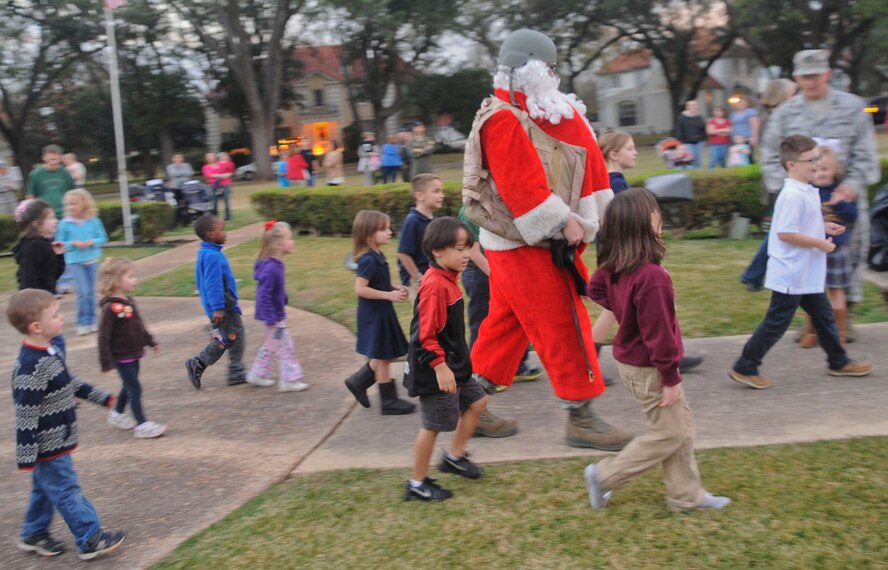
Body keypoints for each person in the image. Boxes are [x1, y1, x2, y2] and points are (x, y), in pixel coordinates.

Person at [463, 28, 632, 450]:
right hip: (529, 244)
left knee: (507, 325)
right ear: (534, 68)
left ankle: (469, 406)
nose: (554, 76)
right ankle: (581, 417)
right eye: (549, 68)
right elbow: (523, 190)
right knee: (565, 322)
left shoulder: (525, 109)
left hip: (518, 243)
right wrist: (565, 223)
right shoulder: (504, 117)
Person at [584, 188, 731, 513]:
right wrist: (670, 377)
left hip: (635, 363)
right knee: (669, 434)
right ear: (643, 223)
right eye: (655, 211)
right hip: (649, 367)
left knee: (681, 429)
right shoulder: (652, 277)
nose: (659, 216)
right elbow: (660, 337)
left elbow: (595, 287)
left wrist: (625, 311)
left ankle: (685, 496)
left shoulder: (620, 265)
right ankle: (604, 476)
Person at [728, 135, 872, 390]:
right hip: (792, 273)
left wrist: (823, 226)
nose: (816, 164)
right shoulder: (792, 195)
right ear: (792, 164)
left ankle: (838, 361)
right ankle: (745, 366)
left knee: (824, 316)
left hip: (805, 273)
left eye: (818, 158)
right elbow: (785, 233)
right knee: (776, 323)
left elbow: (799, 225)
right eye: (811, 160)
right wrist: (820, 243)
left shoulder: (805, 190)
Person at [756, 49, 880, 340]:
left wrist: (851, 185)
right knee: (805, 259)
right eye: (804, 76)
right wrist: (790, 190)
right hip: (804, 202)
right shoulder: (786, 113)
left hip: (843, 200)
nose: (810, 82)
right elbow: (770, 156)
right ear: (796, 78)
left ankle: (843, 318)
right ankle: (811, 322)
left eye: (815, 75)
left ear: (826, 73)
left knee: (847, 258)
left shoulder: (851, 107)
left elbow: (865, 154)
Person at [8, 288, 127, 560]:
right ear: (36, 326)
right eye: (56, 315)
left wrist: (104, 398)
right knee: (66, 489)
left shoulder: (48, 351)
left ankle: (34, 532)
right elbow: (26, 412)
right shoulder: (30, 366)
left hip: (59, 438)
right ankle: (90, 538)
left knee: (45, 489)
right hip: (48, 445)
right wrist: (26, 455)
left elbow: (69, 382)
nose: (62, 318)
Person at [593, 132, 704, 377]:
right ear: (613, 154)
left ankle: (590, 362)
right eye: (630, 148)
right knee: (655, 301)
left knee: (614, 307)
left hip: (616, 251)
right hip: (627, 253)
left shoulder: (607, 181)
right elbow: (627, 223)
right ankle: (669, 351)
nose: (635, 152)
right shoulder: (617, 184)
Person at [403, 217, 488, 501]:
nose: (466, 255)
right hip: (436, 370)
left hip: (455, 366)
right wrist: (440, 367)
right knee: (433, 426)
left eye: (468, 248)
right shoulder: (435, 286)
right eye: (460, 249)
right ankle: (416, 483)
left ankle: (454, 456)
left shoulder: (448, 279)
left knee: (478, 401)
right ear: (438, 251)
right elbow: (423, 336)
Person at [458, 205, 529, 438]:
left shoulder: (493, 205)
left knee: (502, 326)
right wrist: (500, 278)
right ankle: (473, 392)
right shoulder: (470, 211)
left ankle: (514, 366)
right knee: (482, 328)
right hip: (481, 273)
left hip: (495, 270)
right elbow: (475, 252)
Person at [343, 210, 415, 415]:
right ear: (368, 234)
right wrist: (388, 296)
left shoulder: (377, 255)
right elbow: (361, 288)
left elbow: (379, 282)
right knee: (384, 357)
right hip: (375, 315)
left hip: (383, 312)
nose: (389, 232)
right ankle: (389, 401)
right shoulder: (368, 259)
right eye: (384, 229)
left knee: (387, 354)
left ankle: (358, 381)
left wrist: (393, 288)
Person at [98, 258, 167, 439]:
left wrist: (150, 341)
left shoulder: (128, 301)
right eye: (130, 276)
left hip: (133, 352)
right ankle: (142, 425)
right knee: (135, 388)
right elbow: (103, 337)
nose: (135, 279)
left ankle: (117, 414)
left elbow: (138, 326)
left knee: (129, 385)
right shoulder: (110, 308)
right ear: (115, 281)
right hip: (121, 356)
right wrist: (106, 361)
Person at [798, 147, 858, 347]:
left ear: (834, 171)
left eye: (825, 168)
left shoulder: (842, 192)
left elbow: (852, 217)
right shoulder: (806, 191)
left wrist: (840, 203)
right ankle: (812, 331)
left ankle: (840, 334)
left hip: (836, 251)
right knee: (811, 293)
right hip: (813, 249)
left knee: (837, 292)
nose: (820, 173)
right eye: (815, 169)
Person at [184, 214, 247, 389]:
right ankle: (230, 370)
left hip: (222, 306)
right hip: (224, 308)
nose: (226, 233)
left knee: (229, 338)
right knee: (234, 337)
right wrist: (218, 308)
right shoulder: (212, 256)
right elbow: (213, 284)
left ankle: (231, 370)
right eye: (223, 229)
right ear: (211, 234)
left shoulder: (207, 252)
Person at [246, 220, 309, 392]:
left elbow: (273, 290)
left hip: (273, 317)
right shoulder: (272, 268)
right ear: (278, 244)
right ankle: (289, 380)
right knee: (286, 346)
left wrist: (282, 296)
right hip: (274, 319)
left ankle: (257, 373)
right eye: (290, 239)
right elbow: (263, 295)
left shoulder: (274, 265)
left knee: (271, 345)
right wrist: (271, 318)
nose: (293, 242)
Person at [57, 189, 108, 335]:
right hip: (75, 262)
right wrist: (73, 243)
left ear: (84, 203)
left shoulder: (94, 220)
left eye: (75, 203)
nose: (72, 207)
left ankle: (92, 321)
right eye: (69, 204)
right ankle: (82, 322)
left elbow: (103, 238)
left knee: (92, 293)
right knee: (83, 293)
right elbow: (60, 243)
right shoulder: (65, 223)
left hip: (92, 261)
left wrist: (92, 242)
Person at [398, 173, 444, 301]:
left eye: (441, 191)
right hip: (420, 282)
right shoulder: (412, 220)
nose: (442, 196)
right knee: (424, 319)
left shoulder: (435, 221)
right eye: (436, 191)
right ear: (420, 195)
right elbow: (403, 253)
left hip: (434, 277)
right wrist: (418, 278)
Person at [12, 199, 65, 295]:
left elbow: (53, 275)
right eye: (51, 218)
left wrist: (59, 255)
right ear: (36, 224)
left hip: (47, 298)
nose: (56, 221)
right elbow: (28, 280)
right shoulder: (34, 247)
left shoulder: (46, 243)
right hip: (36, 302)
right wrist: (36, 304)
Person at [27, 144, 74, 217]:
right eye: (51, 158)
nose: (53, 161)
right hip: (44, 215)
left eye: (56, 158)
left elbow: (72, 193)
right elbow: (30, 196)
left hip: (64, 214)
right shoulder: (35, 174)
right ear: (44, 158)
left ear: (60, 158)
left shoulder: (66, 173)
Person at [675, 100, 706, 169]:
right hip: (687, 142)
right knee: (690, 159)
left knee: (698, 160)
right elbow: (679, 130)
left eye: (695, 105)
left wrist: (703, 140)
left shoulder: (699, 117)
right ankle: (691, 173)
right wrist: (680, 143)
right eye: (691, 105)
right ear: (687, 107)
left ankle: (697, 173)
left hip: (699, 142)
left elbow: (703, 129)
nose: (693, 107)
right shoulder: (682, 117)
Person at [730, 96, 760, 164]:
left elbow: (755, 124)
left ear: (746, 104)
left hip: (747, 139)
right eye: (739, 103)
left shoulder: (750, 112)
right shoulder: (733, 114)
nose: (741, 104)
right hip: (736, 139)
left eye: (743, 102)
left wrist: (754, 137)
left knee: (748, 157)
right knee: (738, 158)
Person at [214, 152, 236, 221]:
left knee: (226, 200)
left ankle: (228, 216)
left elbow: (231, 172)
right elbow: (214, 172)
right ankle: (215, 216)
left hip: (226, 183)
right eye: (221, 156)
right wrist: (221, 176)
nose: (223, 157)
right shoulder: (217, 164)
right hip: (217, 183)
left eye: (224, 156)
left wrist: (225, 175)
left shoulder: (230, 163)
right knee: (216, 200)